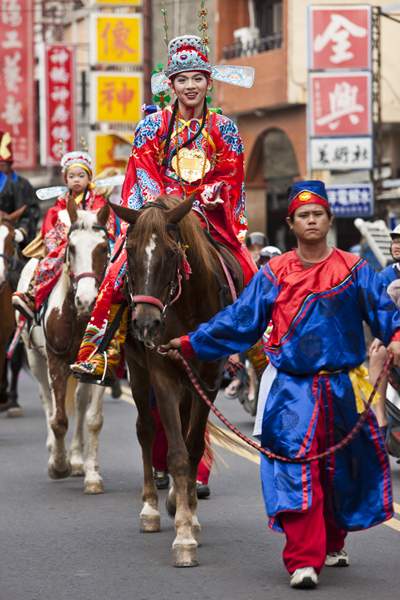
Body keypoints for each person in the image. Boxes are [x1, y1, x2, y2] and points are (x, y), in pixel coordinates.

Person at [161, 180, 400, 590]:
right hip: (292, 393)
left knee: (339, 471)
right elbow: (239, 321)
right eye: (303, 215)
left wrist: (395, 339)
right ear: (291, 224)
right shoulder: (273, 273)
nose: (311, 220)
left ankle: (331, 541)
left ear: (329, 220)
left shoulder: (355, 270)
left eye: (317, 214)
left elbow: (386, 316)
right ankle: (303, 559)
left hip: (344, 387)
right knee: (294, 471)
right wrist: (189, 341)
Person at [71, 34, 256, 383]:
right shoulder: (151, 126)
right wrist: (165, 206)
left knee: (249, 268)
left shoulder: (225, 128)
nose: (190, 86)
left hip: (206, 214)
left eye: (197, 78)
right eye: (182, 79)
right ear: (171, 84)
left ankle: (260, 350)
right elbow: (143, 169)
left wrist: (206, 197)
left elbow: (230, 173)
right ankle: (102, 351)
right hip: (160, 213)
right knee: (119, 269)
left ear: (208, 82)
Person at [12, 151, 116, 320]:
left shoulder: (98, 202)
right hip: (66, 244)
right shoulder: (60, 203)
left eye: (81, 175)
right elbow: (50, 227)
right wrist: (62, 241)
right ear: (65, 179)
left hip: (93, 244)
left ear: (89, 178)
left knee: (115, 266)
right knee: (49, 261)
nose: (76, 180)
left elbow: (107, 224)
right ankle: (32, 296)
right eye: (72, 176)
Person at [369, 224, 400, 434]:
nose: (397, 245)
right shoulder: (385, 276)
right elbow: (378, 310)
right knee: (377, 354)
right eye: (395, 241)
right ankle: (379, 416)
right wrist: (382, 335)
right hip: (393, 337)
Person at [0, 131, 39, 247]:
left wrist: (22, 231)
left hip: (16, 235)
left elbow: (31, 212)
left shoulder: (23, 185)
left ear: (10, 163)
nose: (1, 167)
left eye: (4, 164)